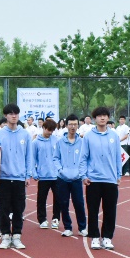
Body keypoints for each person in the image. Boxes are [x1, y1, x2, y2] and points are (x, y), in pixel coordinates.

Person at [81, 107, 122, 250]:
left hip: (110, 179)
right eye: (99, 116)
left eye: (105, 115)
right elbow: (83, 157)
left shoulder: (114, 136)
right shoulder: (88, 136)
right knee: (93, 210)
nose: (102, 118)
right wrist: (84, 175)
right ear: (94, 119)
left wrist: (118, 175)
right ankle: (94, 237)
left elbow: (118, 157)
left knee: (110, 210)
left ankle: (107, 237)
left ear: (108, 117)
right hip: (93, 180)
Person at [0, 104, 34, 250]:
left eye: (16, 113)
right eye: (10, 113)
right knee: (3, 209)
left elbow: (29, 156)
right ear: (5, 116)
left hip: (19, 178)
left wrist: (28, 175)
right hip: (3, 177)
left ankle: (16, 235)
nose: (13, 116)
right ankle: (5, 236)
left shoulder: (25, 134)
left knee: (18, 209)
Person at [53, 115, 87, 237]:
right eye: (70, 124)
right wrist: (60, 170)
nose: (73, 127)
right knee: (63, 203)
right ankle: (67, 227)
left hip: (77, 178)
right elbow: (55, 158)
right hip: (62, 178)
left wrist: (81, 172)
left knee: (79, 203)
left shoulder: (82, 142)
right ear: (66, 125)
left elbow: (85, 159)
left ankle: (82, 227)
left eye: (75, 124)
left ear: (78, 125)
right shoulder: (60, 142)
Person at [31, 118, 60, 230]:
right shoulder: (36, 142)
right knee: (41, 199)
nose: (50, 132)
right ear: (43, 128)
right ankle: (42, 219)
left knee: (58, 198)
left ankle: (56, 218)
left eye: (52, 130)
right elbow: (33, 159)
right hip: (43, 175)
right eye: (48, 130)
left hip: (56, 175)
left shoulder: (56, 140)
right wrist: (34, 172)